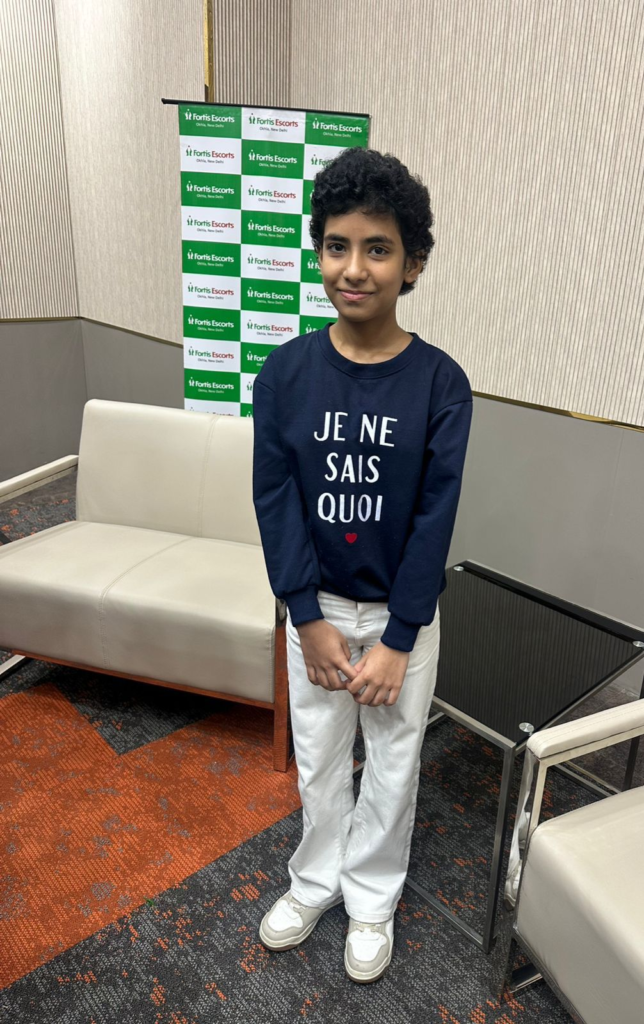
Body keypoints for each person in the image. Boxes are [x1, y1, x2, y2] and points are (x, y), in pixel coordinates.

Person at [251, 146, 473, 983]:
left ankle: (372, 898)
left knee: (393, 762)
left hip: (397, 619)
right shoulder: (286, 374)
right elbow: (276, 500)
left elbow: (434, 519)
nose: (355, 268)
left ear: (412, 264)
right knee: (318, 758)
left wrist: (400, 637)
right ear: (318, 253)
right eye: (337, 246)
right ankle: (314, 880)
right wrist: (305, 617)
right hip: (316, 613)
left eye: (378, 249)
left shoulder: (441, 384)